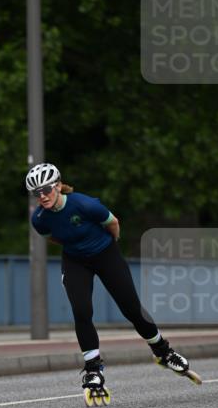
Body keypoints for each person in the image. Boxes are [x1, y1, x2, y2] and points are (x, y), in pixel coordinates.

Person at [26, 162, 195, 394]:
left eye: (46, 190)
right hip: (75, 261)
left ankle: (163, 352)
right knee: (82, 311)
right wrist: (76, 246)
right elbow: (52, 237)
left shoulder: (84, 204)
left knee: (131, 309)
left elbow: (113, 223)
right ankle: (93, 369)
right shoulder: (39, 219)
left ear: (57, 186)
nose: (42, 196)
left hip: (106, 254)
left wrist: (108, 246)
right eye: (36, 193)